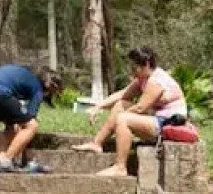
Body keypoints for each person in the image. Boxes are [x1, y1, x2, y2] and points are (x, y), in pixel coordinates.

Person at [74, 47, 189, 177]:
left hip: (169, 124)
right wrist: (98, 107)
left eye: (134, 67)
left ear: (145, 65)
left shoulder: (157, 81)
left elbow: (141, 108)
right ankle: (97, 143)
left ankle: (120, 167)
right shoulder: (143, 78)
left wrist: (120, 118)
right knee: (120, 105)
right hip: (156, 119)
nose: (132, 71)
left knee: (123, 119)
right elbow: (123, 94)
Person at [0, 62, 63, 174]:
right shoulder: (37, 87)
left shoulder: (24, 75)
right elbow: (29, 119)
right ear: (50, 85)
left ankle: (0, 161)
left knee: (10, 125)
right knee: (32, 126)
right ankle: (6, 161)